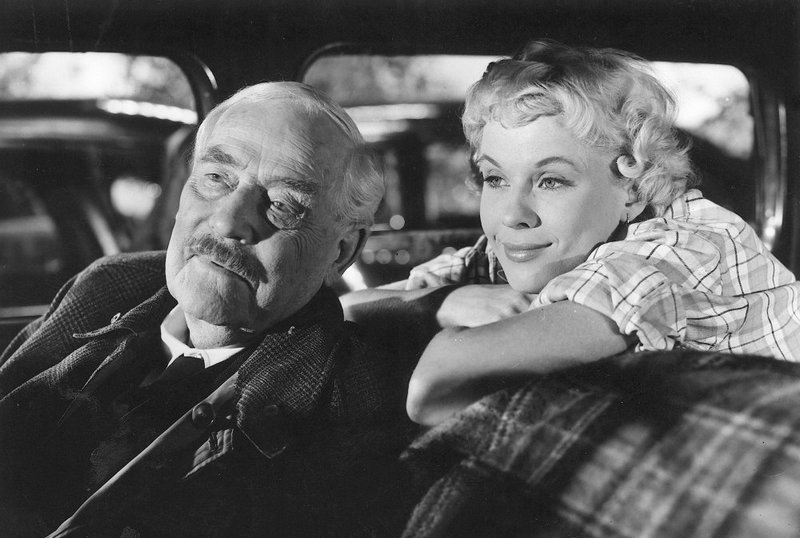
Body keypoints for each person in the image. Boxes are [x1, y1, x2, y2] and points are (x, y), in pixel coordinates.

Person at [0, 82, 412, 537]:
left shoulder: (351, 402)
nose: (226, 220)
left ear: (342, 250)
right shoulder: (107, 287)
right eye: (216, 178)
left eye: (281, 204)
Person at [342, 40, 800, 427]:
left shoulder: (681, 251)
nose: (513, 215)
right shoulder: (536, 247)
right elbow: (345, 310)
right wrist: (443, 302)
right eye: (495, 179)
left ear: (632, 189)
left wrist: (424, 314)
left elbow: (436, 387)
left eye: (551, 181)